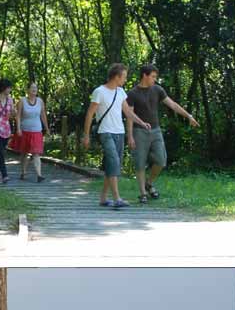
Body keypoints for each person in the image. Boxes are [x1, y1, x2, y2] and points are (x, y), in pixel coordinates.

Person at [126, 64, 199, 204]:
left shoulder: (158, 90)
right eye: (153, 76)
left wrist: (188, 116)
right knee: (140, 163)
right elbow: (130, 115)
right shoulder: (133, 93)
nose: (155, 79)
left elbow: (173, 104)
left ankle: (149, 183)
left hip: (156, 130)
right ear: (144, 76)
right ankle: (142, 193)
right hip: (139, 131)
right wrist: (129, 136)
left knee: (161, 160)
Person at [82, 63, 150, 209]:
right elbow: (89, 114)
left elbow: (128, 112)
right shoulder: (99, 91)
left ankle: (103, 198)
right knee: (113, 162)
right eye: (124, 76)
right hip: (105, 132)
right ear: (116, 76)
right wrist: (86, 135)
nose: (125, 79)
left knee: (112, 165)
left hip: (119, 132)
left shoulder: (121, 92)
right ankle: (117, 198)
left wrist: (142, 122)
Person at [11, 81, 49, 181]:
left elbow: (43, 115)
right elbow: (18, 116)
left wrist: (47, 128)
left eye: (36, 88)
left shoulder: (40, 101)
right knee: (24, 153)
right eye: (32, 88)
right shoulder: (22, 101)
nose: (34, 90)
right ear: (27, 90)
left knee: (36, 153)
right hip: (25, 130)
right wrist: (18, 128)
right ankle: (23, 172)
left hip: (37, 130)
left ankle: (39, 175)